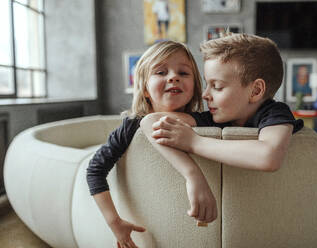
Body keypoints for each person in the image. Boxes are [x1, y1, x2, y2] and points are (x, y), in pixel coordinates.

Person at [86, 40, 217, 248]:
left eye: (183, 73)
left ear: (195, 87)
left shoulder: (207, 120)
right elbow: (95, 169)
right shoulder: (131, 125)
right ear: (145, 89)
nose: (173, 77)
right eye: (161, 72)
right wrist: (114, 221)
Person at [140, 33, 304, 176]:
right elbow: (151, 120)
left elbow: (269, 157)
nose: (205, 94)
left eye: (217, 86)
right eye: (207, 84)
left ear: (255, 91)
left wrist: (194, 142)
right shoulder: (215, 117)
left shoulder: (276, 113)